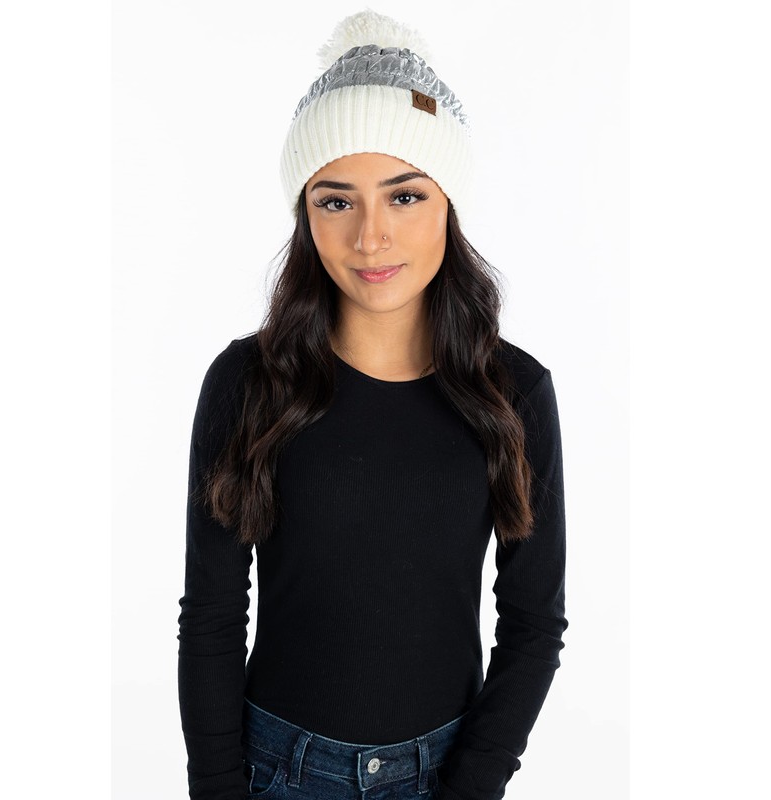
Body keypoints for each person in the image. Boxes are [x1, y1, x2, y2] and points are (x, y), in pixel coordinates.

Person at [177, 9, 568, 800]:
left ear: (448, 203)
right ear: (306, 215)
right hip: (278, 771)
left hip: (444, 773)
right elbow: (213, 616)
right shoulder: (247, 383)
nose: (371, 238)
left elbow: (532, 625)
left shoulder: (514, 393)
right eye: (336, 201)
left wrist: (473, 785)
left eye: (405, 196)